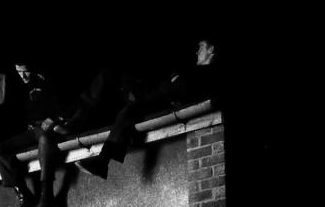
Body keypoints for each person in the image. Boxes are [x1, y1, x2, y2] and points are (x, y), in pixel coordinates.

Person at [75, 37, 223, 179]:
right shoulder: (191, 70)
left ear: (212, 49)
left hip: (161, 103)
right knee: (108, 74)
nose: (197, 51)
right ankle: (76, 119)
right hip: (152, 96)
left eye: (201, 47)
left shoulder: (210, 72)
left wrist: (175, 82)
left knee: (128, 111)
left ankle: (102, 161)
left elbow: (184, 92)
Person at [0, 60, 70, 207]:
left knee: (44, 138)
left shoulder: (45, 80)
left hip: (47, 125)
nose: (23, 76)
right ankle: (25, 196)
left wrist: (52, 121)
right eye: (19, 72)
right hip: (31, 130)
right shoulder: (18, 86)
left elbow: (64, 105)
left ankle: (47, 194)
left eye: (25, 71)